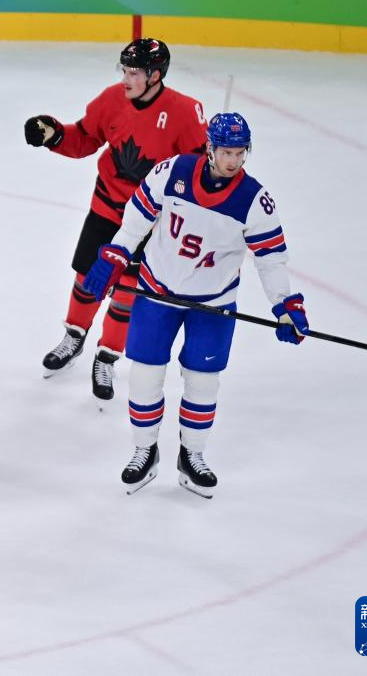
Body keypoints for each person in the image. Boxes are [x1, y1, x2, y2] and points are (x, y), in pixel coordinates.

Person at [83, 112, 309, 498]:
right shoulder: (173, 171)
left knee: (203, 383)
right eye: (226, 152)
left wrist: (285, 305)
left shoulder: (254, 201)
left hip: (213, 304)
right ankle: (145, 451)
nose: (233, 160)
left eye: (240, 152)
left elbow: (271, 259)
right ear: (210, 148)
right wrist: (117, 253)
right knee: (145, 376)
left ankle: (192, 455)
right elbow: (137, 218)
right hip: (157, 291)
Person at [24, 38, 207, 400]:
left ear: (155, 76)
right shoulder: (112, 100)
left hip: (149, 222)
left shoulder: (185, 112)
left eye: (134, 73)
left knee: (127, 289)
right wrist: (55, 134)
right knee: (87, 277)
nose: (126, 79)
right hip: (106, 208)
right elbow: (84, 137)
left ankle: (107, 355)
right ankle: (74, 336)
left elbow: (199, 171)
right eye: (124, 70)